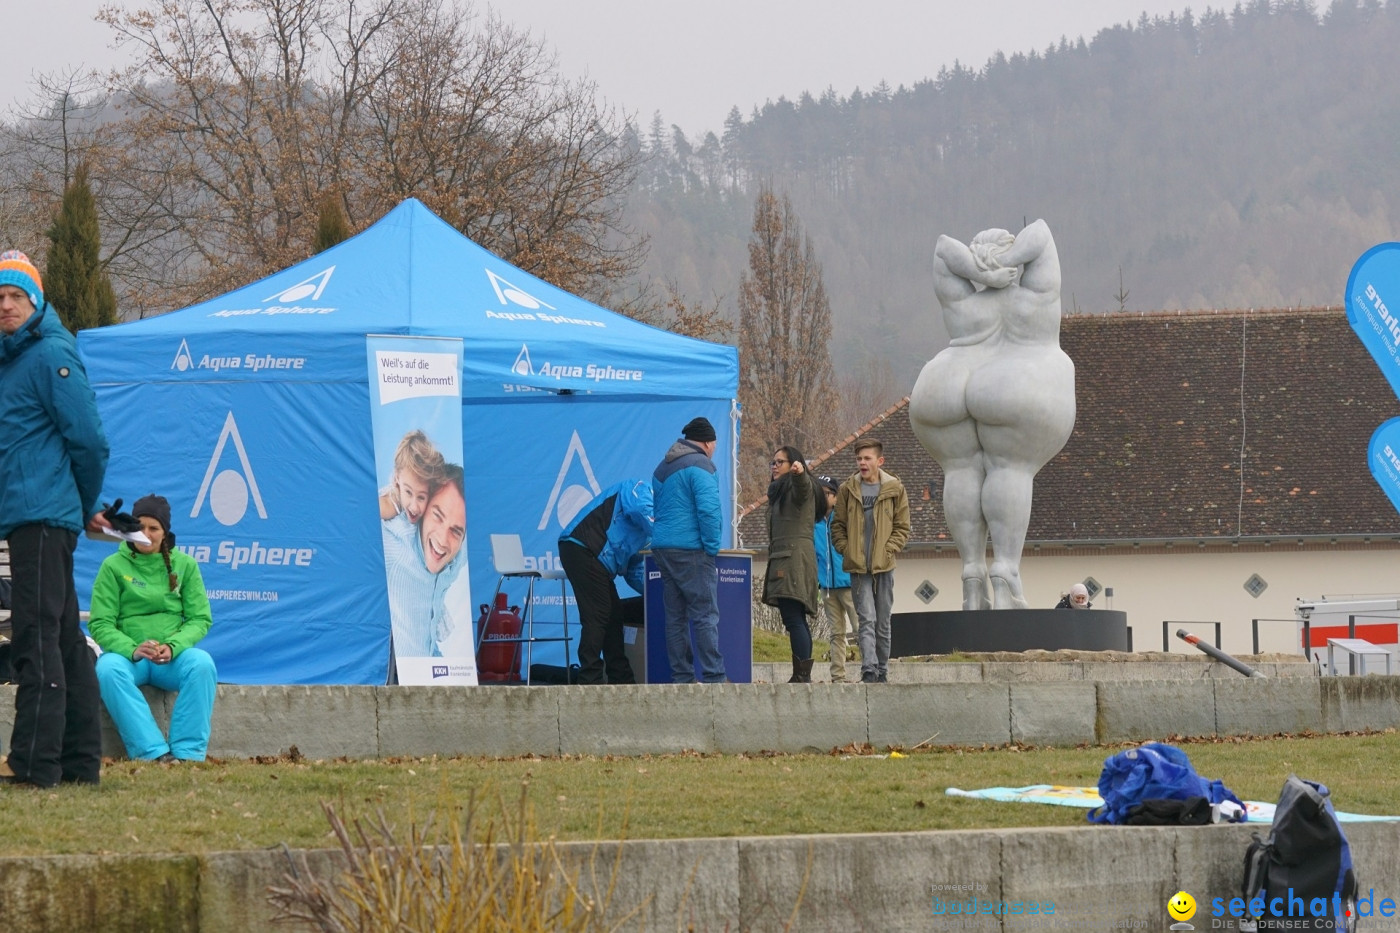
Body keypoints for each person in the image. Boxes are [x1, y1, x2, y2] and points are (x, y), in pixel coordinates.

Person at [910, 219, 1075, 611]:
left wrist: (978, 266)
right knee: (1009, 469)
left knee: (961, 469)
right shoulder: (1034, 292)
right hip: (1018, 375)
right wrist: (1008, 260)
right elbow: (1042, 234)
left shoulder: (966, 303)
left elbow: (943, 248)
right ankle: (1005, 571)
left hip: (949, 377)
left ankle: (971, 572)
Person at [0, 250, 110, 788]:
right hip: (32, 516)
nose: (5, 305)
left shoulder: (50, 356)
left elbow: (89, 440)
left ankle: (33, 765)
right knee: (65, 639)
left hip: (42, 517)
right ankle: (78, 764)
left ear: (36, 300)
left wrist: (83, 504)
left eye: (16, 295)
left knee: (35, 637)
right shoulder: (13, 359)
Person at [88, 495, 217, 763]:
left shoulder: (186, 565)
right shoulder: (112, 566)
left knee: (202, 664)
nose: (145, 534)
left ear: (165, 532)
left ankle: (188, 753)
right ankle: (153, 752)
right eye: (140, 527)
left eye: (154, 528)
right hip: (130, 657)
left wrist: (172, 646)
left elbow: (200, 619)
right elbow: (100, 623)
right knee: (107, 670)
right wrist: (132, 649)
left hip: (170, 658)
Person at [651, 416, 726, 684]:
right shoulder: (701, 465)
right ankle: (715, 678)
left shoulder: (663, 467)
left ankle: (682, 678)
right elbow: (708, 510)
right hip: (692, 550)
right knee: (705, 615)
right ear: (707, 442)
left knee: (675, 618)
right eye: (714, 444)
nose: (714, 448)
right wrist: (712, 547)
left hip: (663, 548)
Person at [558, 478, 653, 685]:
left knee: (614, 613)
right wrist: (666, 532)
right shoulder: (641, 489)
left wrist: (655, 591)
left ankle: (621, 678)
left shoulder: (648, 534)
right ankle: (589, 679)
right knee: (598, 614)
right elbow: (639, 509)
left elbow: (635, 570)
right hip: (580, 546)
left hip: (593, 558)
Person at [831, 439, 911, 684]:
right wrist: (846, 549)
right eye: (859, 459)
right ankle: (868, 669)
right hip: (858, 567)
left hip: (884, 566)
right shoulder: (847, 489)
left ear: (879, 461)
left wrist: (889, 550)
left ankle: (883, 669)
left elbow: (902, 527)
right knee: (867, 619)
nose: (862, 463)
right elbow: (838, 525)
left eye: (867, 458)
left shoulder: (895, 489)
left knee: (883, 621)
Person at [383, 463, 468, 658]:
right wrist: (392, 500)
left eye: (455, 531)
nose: (442, 540)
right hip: (394, 678)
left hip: (429, 669)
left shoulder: (459, 554)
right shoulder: (393, 544)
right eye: (437, 516)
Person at [762, 447, 825, 683]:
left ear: (793, 464)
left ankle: (801, 676)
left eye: (780, 462)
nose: (775, 466)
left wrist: (799, 475)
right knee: (794, 618)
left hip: (793, 560)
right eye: (773, 462)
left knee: (793, 618)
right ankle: (801, 674)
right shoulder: (780, 491)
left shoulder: (796, 487)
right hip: (788, 558)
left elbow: (804, 490)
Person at [814, 475, 855, 683]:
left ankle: (871, 671)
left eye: (825, 494)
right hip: (827, 587)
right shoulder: (813, 523)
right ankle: (838, 676)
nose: (821, 498)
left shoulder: (844, 520)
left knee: (860, 629)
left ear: (836, 497)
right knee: (836, 633)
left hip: (849, 584)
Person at [379, 429, 446, 524]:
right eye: (408, 492)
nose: (414, 507)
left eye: (421, 497)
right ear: (396, 478)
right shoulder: (389, 504)